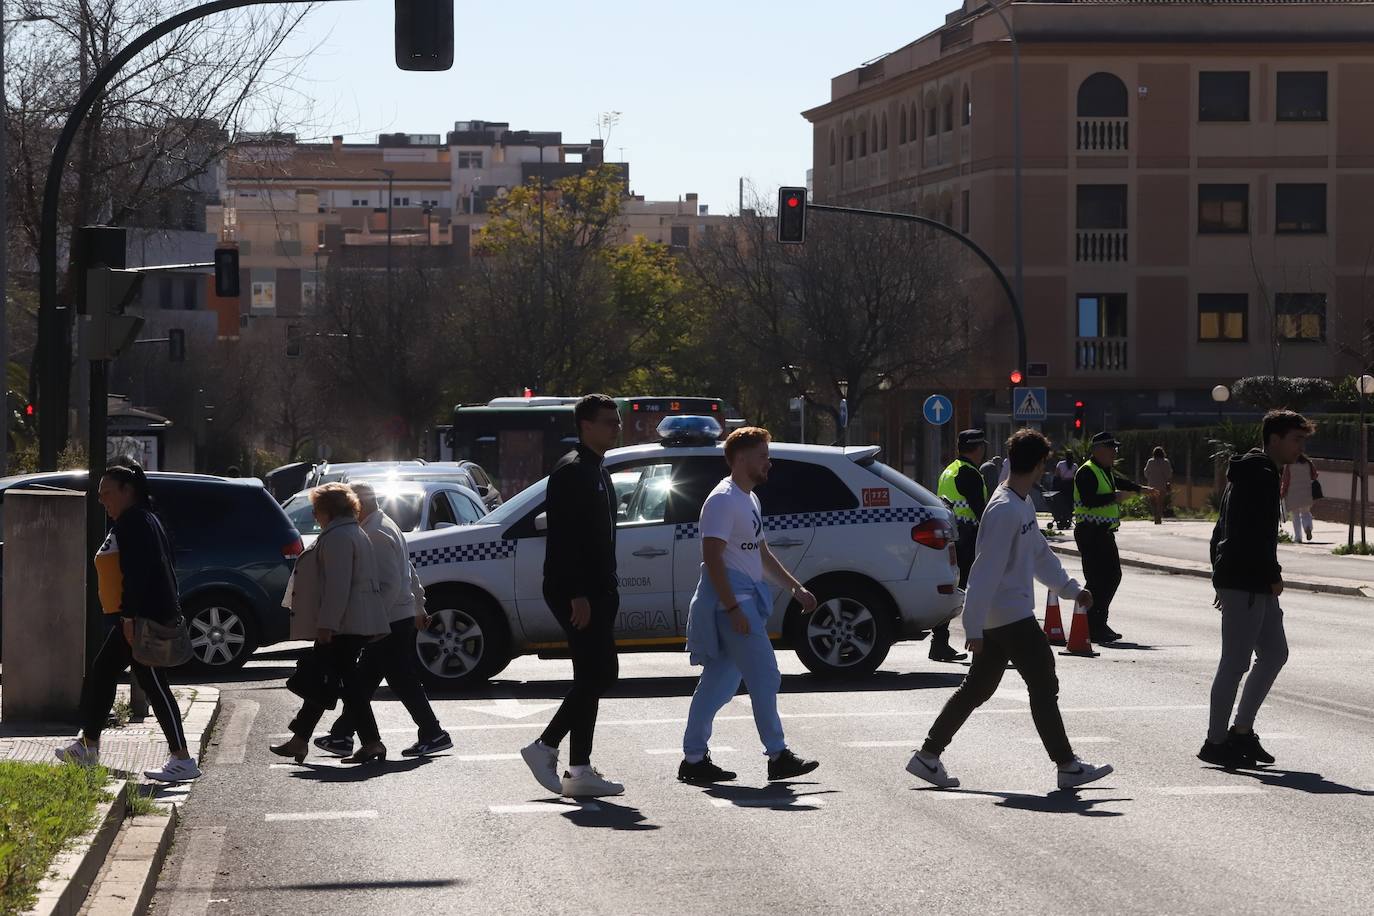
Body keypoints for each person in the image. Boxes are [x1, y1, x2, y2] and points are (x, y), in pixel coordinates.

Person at [906, 430, 1113, 791]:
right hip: (1008, 613)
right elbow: (984, 570)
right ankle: (1066, 765)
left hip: (1000, 614)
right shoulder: (1004, 509)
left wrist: (1071, 590)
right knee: (1043, 681)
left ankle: (928, 755)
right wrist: (972, 627)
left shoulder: (1020, 503)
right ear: (1038, 464)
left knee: (978, 688)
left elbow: (1039, 554)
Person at [678, 426, 822, 785]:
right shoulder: (723, 500)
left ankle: (694, 759)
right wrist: (732, 609)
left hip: (743, 602)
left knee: (718, 684)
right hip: (734, 605)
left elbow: (761, 553)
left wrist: (796, 589)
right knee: (765, 675)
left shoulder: (749, 499)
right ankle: (778, 755)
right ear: (741, 459)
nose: (768, 463)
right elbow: (712, 558)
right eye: (763, 456)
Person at [56, 462, 202, 783]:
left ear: (127, 491)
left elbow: (138, 572)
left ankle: (182, 759)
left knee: (153, 684)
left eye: (107, 493)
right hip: (140, 615)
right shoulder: (141, 518)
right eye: (100, 494)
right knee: (107, 672)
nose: (102, 500)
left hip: (142, 618)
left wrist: (129, 617)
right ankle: (88, 746)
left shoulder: (135, 521)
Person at [520, 394, 625, 798]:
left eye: (617, 420)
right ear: (586, 425)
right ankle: (544, 746)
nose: (616, 427)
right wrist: (578, 593)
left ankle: (579, 769)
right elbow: (564, 538)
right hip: (577, 590)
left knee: (590, 677)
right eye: (608, 421)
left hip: (599, 588)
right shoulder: (573, 470)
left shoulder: (596, 468)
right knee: (602, 674)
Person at [1201, 410, 1314, 769]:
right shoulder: (1259, 475)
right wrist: (1271, 575)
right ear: (1274, 439)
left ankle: (1241, 731)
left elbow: (1221, 529)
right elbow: (1254, 534)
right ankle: (1215, 741)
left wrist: (1219, 574)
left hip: (1247, 580)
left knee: (1275, 653)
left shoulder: (1253, 472)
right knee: (1235, 663)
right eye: (1296, 439)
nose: (1300, 447)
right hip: (1248, 580)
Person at [313, 482, 452, 759]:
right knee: (367, 680)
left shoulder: (374, 533)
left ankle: (433, 733)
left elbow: (390, 584)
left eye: (351, 504)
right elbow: (407, 571)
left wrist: (375, 622)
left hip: (388, 619)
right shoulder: (384, 524)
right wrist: (418, 604)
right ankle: (342, 735)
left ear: (360, 504)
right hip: (394, 617)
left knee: (398, 680)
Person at [269, 484, 390, 765]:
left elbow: (338, 586)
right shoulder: (352, 532)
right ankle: (301, 739)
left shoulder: (339, 537)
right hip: (352, 621)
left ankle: (371, 742)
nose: (314, 514)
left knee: (340, 683)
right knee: (327, 679)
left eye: (317, 509)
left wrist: (327, 624)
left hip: (344, 624)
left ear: (329, 510)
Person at [1073, 431, 1153, 645]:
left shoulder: (1103, 471)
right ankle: (1092, 625)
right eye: (1111, 449)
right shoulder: (1086, 471)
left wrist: (1139, 489)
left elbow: (1118, 481)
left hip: (1103, 533)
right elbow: (1089, 500)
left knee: (1111, 577)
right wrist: (1115, 497)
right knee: (1098, 580)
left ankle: (1098, 623)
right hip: (1091, 533)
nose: (1114, 453)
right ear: (1098, 450)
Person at [933, 429, 991, 662]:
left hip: (951, 537)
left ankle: (939, 642)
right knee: (971, 590)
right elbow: (980, 511)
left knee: (953, 591)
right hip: (966, 539)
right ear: (979, 448)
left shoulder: (949, 470)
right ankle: (981, 641)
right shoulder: (969, 473)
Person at [1280, 454, 1317, 543]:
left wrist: (1283, 492)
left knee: (1295, 515)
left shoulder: (1290, 464)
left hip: (1293, 493)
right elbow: (1314, 475)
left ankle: (1298, 537)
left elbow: (1286, 480)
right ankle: (1308, 527)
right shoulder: (1308, 463)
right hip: (1306, 492)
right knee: (1306, 512)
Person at [1144, 446, 1174, 526]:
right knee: (1160, 502)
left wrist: (1150, 477)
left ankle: (1155, 515)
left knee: (1152, 501)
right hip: (1162, 485)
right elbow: (1169, 474)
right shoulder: (1166, 462)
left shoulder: (1150, 461)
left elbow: (1146, 473)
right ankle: (1158, 517)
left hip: (1152, 485)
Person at [1052, 450, 1078, 529]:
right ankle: (1068, 518)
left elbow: (1056, 475)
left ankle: (1061, 517)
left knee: (1061, 502)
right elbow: (1076, 477)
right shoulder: (1075, 466)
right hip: (1071, 486)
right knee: (1070, 503)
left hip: (1062, 486)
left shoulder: (1060, 464)